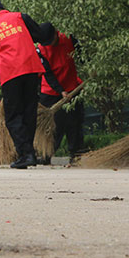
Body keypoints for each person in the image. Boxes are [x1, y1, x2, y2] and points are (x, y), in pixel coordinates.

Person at [0, 0, 50, 169]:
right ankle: (29, 153)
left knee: (13, 116)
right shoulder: (21, 17)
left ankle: (26, 154)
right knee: (29, 111)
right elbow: (40, 36)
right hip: (32, 68)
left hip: (11, 73)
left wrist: (3, 72)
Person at [36, 24, 84, 164]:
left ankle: (76, 155)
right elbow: (48, 74)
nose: (49, 44)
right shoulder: (41, 50)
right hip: (51, 91)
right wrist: (60, 91)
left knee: (75, 122)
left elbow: (82, 55)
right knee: (53, 126)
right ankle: (45, 155)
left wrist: (91, 68)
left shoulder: (69, 39)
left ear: (56, 34)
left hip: (72, 87)